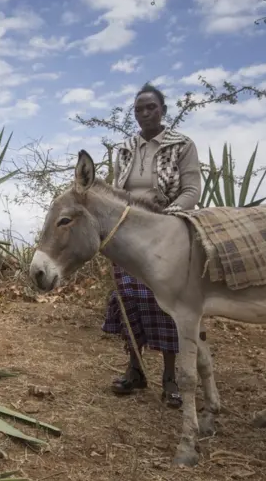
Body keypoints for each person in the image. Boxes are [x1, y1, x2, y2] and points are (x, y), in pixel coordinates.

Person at [101, 82, 202, 408]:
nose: (145, 114)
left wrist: (169, 216)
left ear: (163, 111)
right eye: (139, 109)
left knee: (165, 302)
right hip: (129, 233)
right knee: (128, 296)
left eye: (151, 108)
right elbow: (117, 190)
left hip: (166, 231)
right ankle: (135, 368)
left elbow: (191, 189)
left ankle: (171, 376)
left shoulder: (182, 145)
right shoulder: (126, 148)